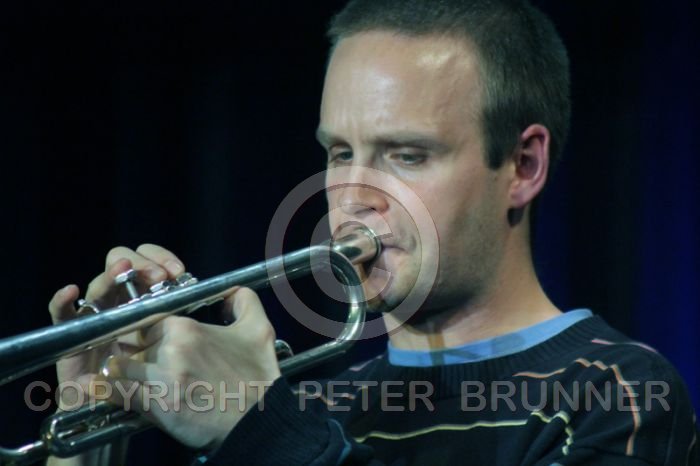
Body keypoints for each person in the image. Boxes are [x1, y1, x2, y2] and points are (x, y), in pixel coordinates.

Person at [47, 0, 698, 465]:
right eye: (339, 153)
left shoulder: (616, 394)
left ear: (523, 166)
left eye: (406, 155)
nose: (353, 196)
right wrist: (87, 425)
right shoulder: (316, 410)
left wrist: (259, 430)